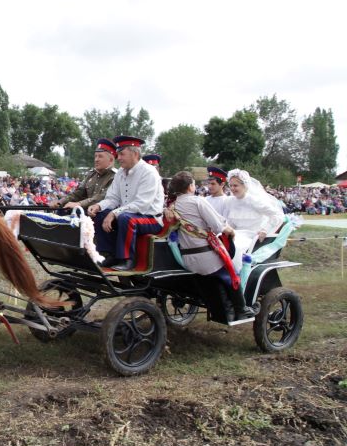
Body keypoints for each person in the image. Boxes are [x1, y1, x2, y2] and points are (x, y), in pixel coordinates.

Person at [166, 171, 255, 321]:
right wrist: (231, 232)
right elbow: (218, 225)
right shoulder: (197, 201)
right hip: (206, 258)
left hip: (187, 259)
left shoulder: (173, 205)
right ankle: (241, 309)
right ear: (190, 187)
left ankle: (225, 306)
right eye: (194, 183)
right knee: (232, 273)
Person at [88, 135, 164, 271]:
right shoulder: (120, 173)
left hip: (151, 218)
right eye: (118, 154)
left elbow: (142, 204)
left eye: (122, 154)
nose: (118, 158)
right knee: (100, 214)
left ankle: (128, 259)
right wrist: (99, 206)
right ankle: (109, 254)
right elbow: (113, 198)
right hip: (129, 215)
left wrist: (114, 213)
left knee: (125, 218)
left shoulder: (149, 172)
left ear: (135, 154)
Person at [226, 169, 285, 270]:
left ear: (244, 186)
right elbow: (231, 223)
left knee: (236, 247)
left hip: (252, 236)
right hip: (237, 234)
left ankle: (236, 275)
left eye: (235, 186)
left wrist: (265, 230)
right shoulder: (231, 201)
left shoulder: (254, 200)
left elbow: (277, 215)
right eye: (230, 185)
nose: (232, 188)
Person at [54, 138, 116, 211]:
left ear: (111, 160)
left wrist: (79, 204)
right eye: (95, 156)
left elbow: (102, 197)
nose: (96, 159)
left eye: (100, 156)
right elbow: (78, 193)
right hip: (87, 211)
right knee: (62, 210)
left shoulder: (115, 176)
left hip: (103, 212)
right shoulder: (91, 174)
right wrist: (60, 202)